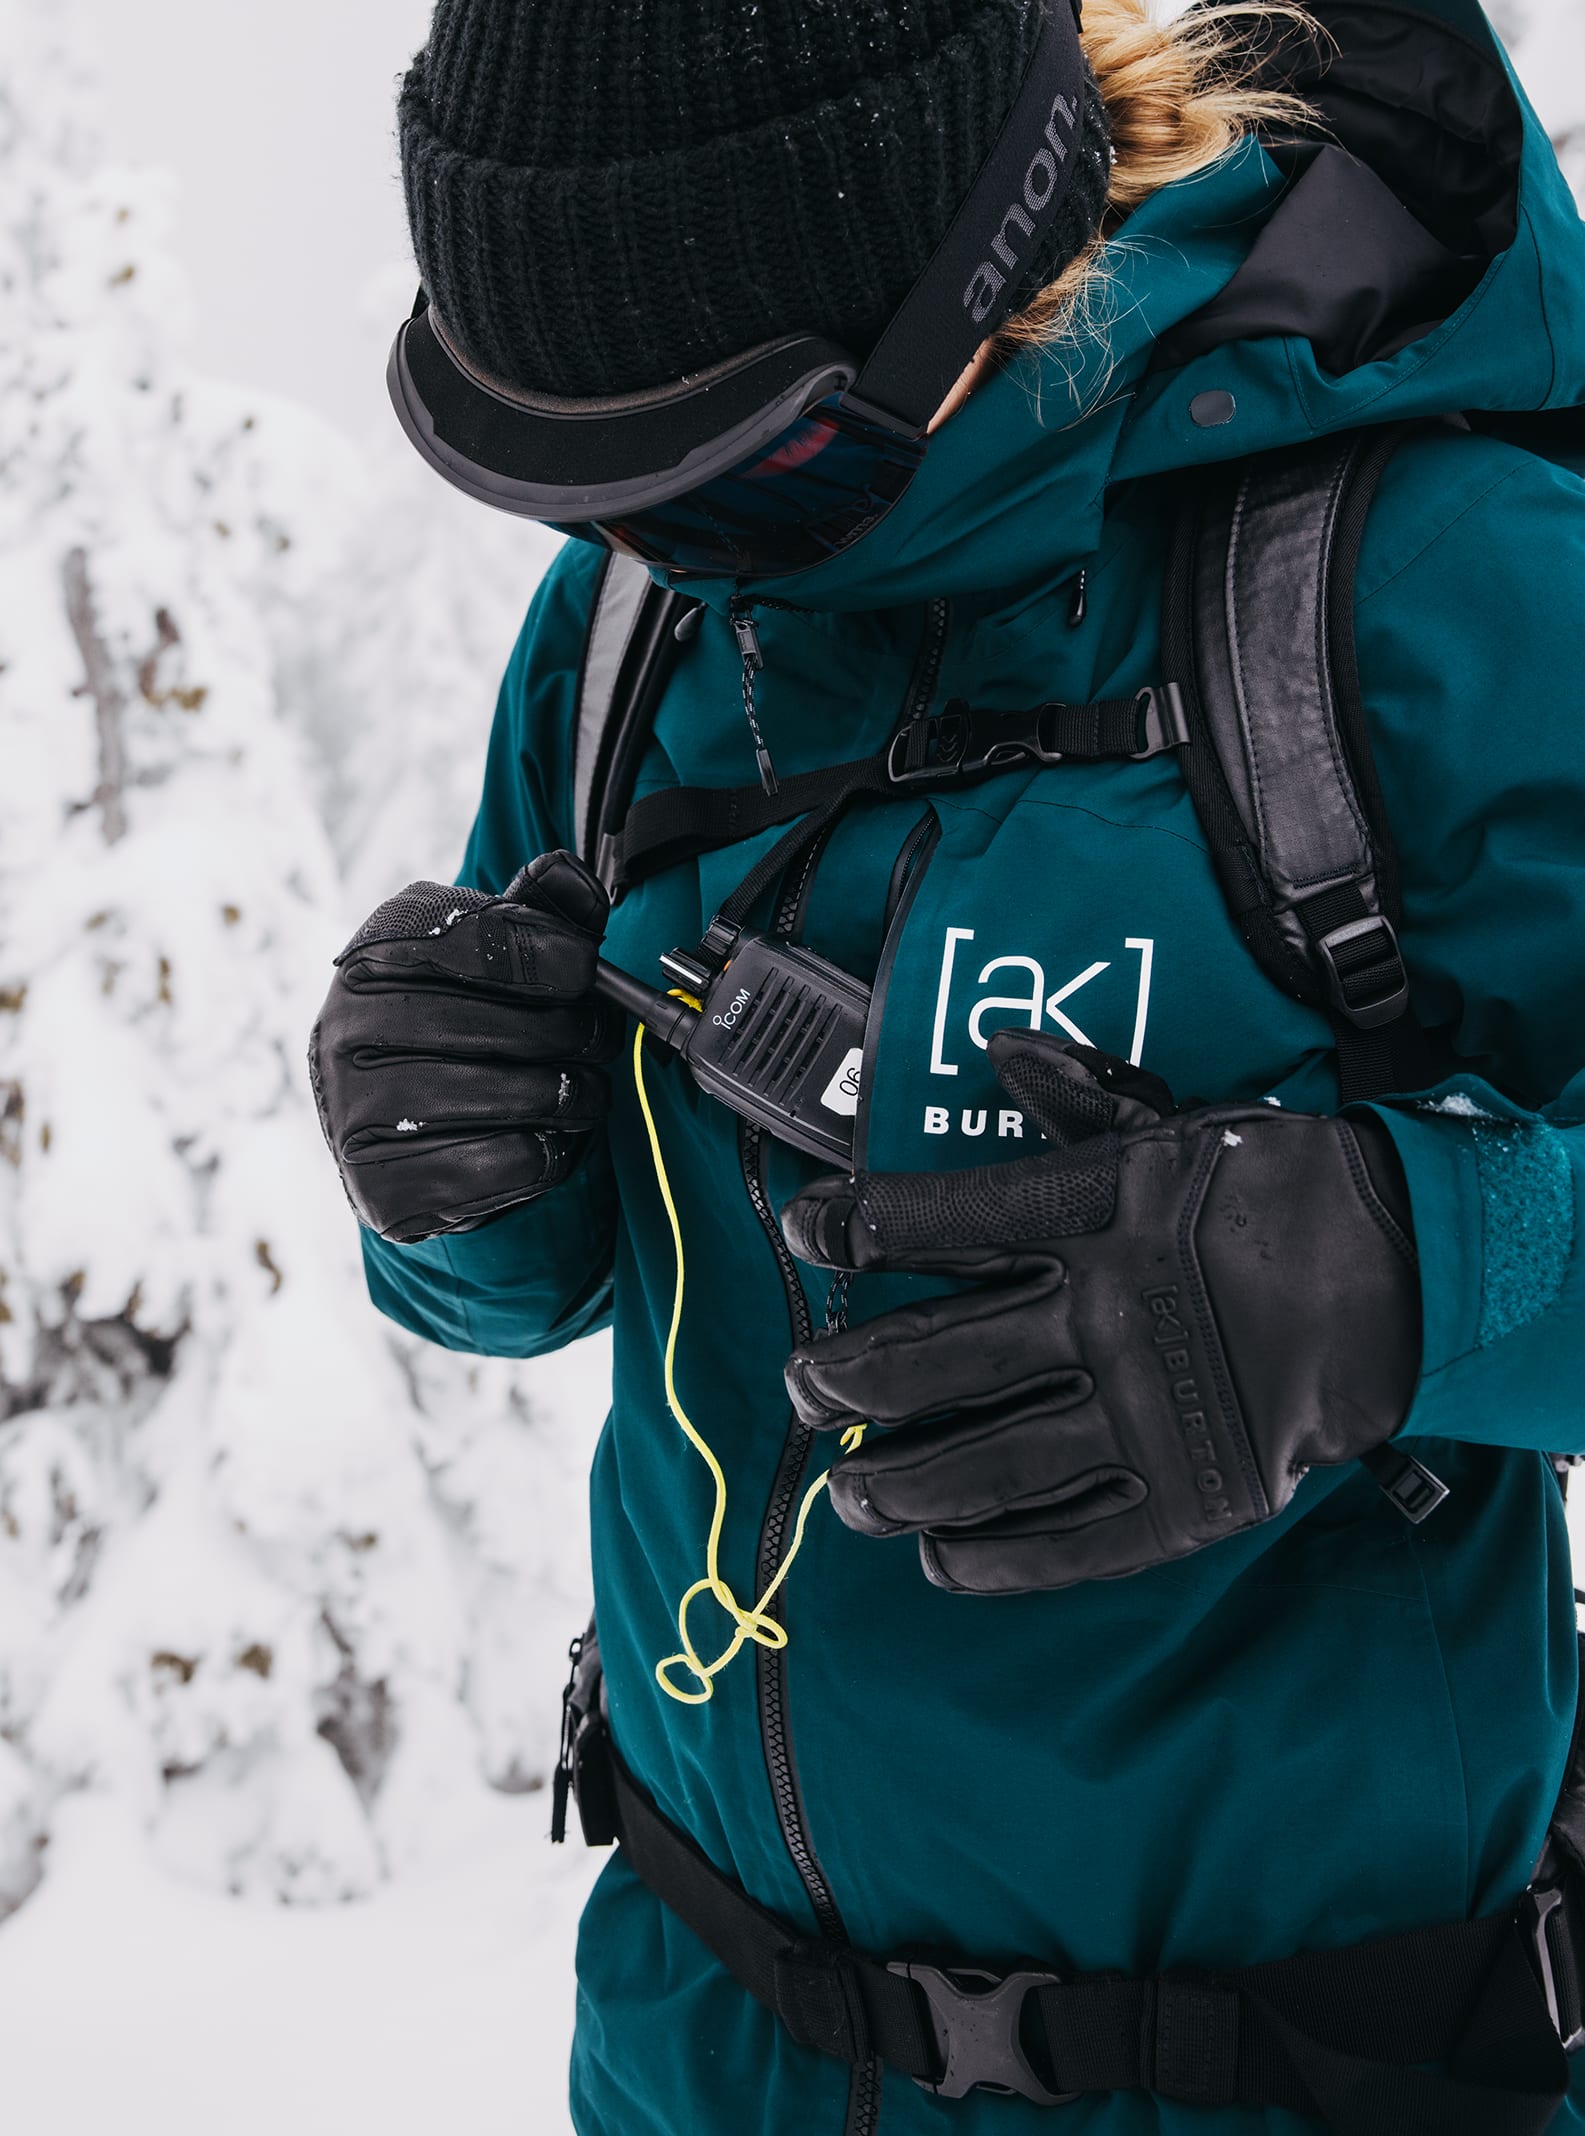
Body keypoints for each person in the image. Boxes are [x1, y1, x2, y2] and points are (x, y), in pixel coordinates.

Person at [309, 0, 1585, 2128]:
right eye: (590, 482)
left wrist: (1405, 1274)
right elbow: (540, 1283)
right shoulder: (631, 626)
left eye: (753, 467)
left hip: (1301, 2069)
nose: (683, 549)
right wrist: (456, 1175)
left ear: (992, 257)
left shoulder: (1433, 593)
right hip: (701, 2042)